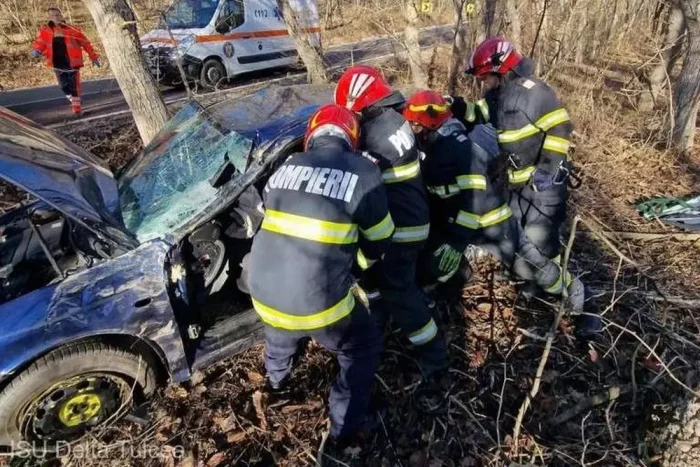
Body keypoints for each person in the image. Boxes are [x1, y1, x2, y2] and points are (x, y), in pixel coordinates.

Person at [247, 104, 393, 448]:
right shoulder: (363, 172)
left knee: (281, 325)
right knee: (363, 345)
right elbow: (381, 237)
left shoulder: (285, 167)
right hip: (318, 305)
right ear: (352, 139)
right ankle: (344, 430)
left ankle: (277, 380)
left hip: (262, 293)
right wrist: (359, 265)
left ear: (311, 137)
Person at [403, 90, 600, 337]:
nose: (412, 130)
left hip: (492, 225)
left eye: (415, 125)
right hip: (457, 224)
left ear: (429, 123)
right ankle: (449, 291)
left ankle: (579, 295)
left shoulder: (460, 149)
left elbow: (474, 202)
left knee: (531, 267)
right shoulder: (432, 147)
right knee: (434, 264)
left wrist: (455, 243)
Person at [334, 65, 448, 392]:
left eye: (353, 113)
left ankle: (435, 356)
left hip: (401, 228)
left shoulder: (376, 138)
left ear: (361, 105)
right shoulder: (393, 119)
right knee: (376, 281)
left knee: (400, 292)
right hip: (409, 216)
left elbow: (354, 177)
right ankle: (379, 329)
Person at [31, 7, 100, 116]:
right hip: (57, 64)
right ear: (49, 17)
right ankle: (74, 101)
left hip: (72, 63)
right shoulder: (45, 31)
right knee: (63, 86)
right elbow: (40, 43)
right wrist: (37, 50)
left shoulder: (72, 30)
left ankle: (77, 111)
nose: (55, 17)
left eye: (57, 15)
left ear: (61, 16)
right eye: (52, 15)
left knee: (74, 88)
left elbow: (86, 44)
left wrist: (94, 57)